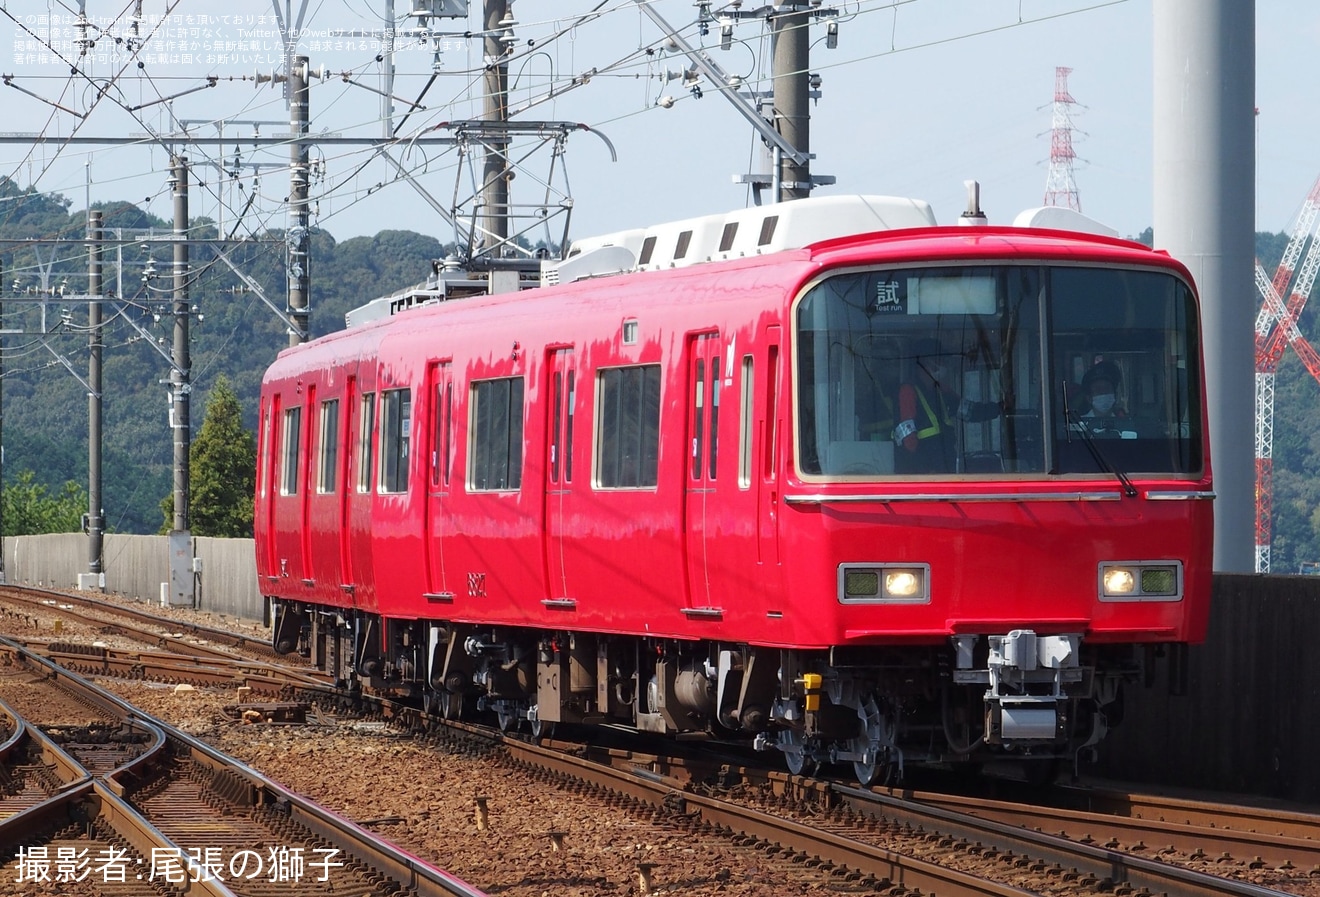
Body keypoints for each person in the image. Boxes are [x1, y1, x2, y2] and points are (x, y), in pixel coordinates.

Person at [893, 338, 1003, 473]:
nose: (943, 364)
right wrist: (923, 472)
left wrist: (1001, 407)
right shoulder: (907, 391)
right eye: (940, 359)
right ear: (926, 362)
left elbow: (971, 412)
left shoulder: (942, 390)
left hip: (945, 470)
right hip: (924, 474)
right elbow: (908, 441)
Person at [1079, 361, 1126, 430]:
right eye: (1098, 390)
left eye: (1107, 389)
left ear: (1115, 395)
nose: (1104, 393)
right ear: (1089, 398)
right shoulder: (1079, 425)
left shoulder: (1123, 424)